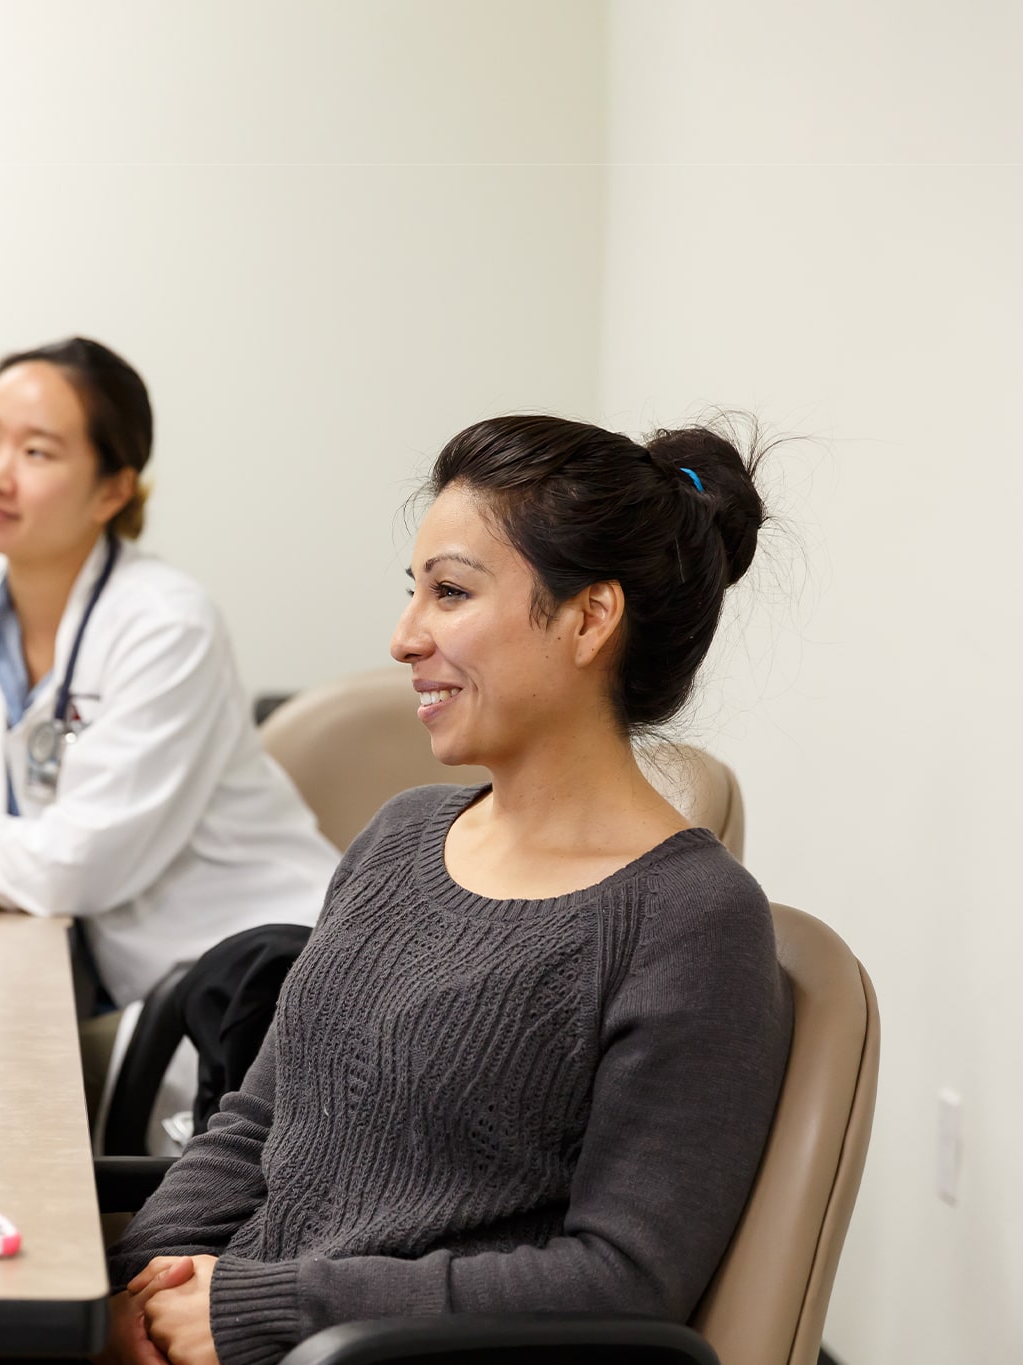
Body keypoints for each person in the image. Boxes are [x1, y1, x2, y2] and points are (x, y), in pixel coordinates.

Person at [104, 415, 794, 1365]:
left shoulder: (693, 922)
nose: (403, 637)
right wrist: (147, 1283)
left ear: (590, 618)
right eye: (413, 593)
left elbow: (620, 1275)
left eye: (451, 593)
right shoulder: (400, 835)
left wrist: (256, 1310)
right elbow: (259, 1121)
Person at [0, 338, 337, 1039]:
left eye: (36, 452)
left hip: (260, 983)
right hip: (111, 979)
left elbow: (79, 864)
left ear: (113, 489)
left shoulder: (165, 624)